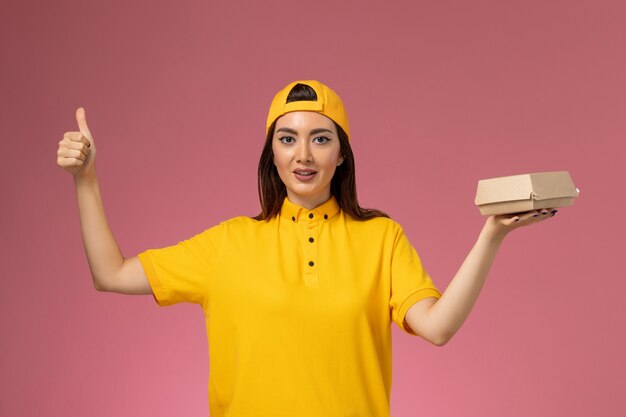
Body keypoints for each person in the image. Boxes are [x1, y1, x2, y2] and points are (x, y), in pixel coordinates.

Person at [56, 80, 556, 416]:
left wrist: (492, 234)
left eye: (320, 139)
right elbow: (111, 273)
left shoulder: (381, 238)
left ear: (341, 155)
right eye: (287, 138)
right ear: (271, 153)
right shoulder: (228, 243)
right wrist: (86, 179)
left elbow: (438, 327)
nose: (303, 154)